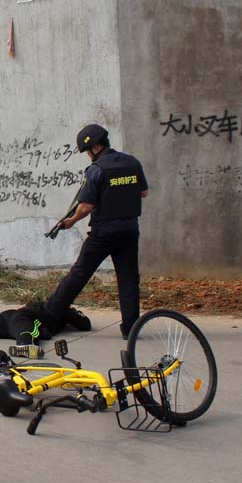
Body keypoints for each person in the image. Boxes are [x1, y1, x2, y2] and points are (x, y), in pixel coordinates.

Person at [45, 124, 149, 339]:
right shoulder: (132, 162)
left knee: (79, 274)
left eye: (87, 152)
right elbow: (144, 193)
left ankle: (50, 315)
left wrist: (71, 221)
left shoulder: (96, 170)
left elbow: (85, 206)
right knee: (129, 280)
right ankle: (131, 329)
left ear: (94, 148)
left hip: (104, 232)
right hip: (130, 230)